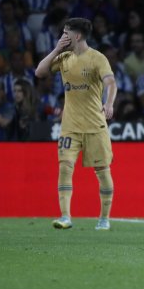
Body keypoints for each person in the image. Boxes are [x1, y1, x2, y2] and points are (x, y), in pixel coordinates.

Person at [35, 17, 117, 231]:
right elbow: (39, 72)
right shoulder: (63, 57)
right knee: (64, 168)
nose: (63, 36)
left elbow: (111, 82)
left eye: (66, 33)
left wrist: (108, 103)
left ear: (77, 35)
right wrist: (55, 50)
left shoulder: (97, 58)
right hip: (69, 126)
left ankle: (104, 218)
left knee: (102, 171)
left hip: (94, 125)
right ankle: (65, 216)